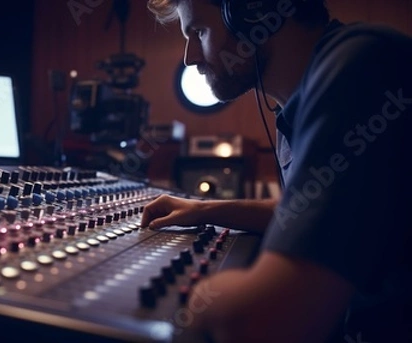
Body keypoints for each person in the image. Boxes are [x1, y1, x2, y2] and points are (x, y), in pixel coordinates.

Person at [142, 0, 412, 342]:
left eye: (199, 31)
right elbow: (312, 214)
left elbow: (255, 320)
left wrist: (183, 297)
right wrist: (204, 210)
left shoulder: (362, 65)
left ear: (250, 12)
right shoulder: (297, 103)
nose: (190, 57)